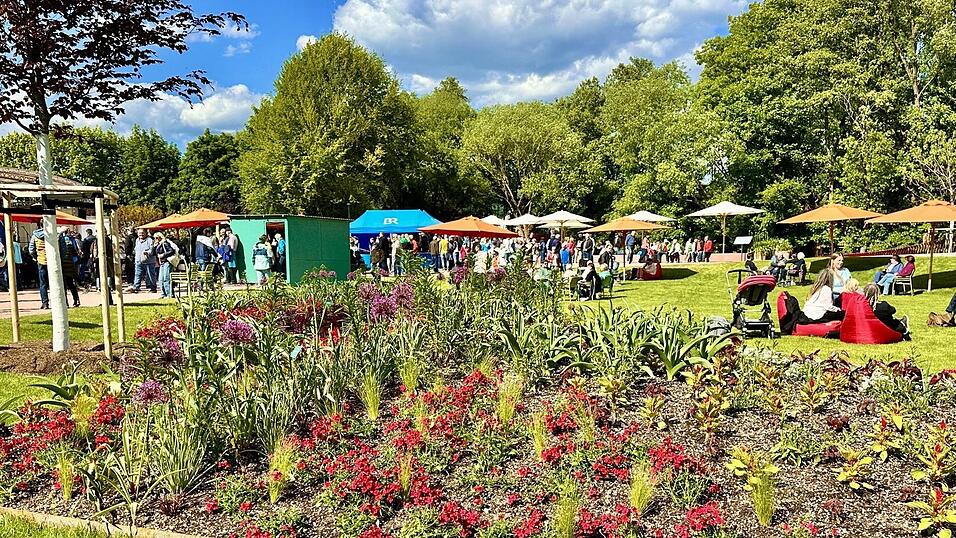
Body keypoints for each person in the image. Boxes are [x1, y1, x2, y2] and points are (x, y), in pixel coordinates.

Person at [29, 227, 51, 308]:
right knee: (56, 282)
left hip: (41, 260)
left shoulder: (35, 235)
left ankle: (45, 303)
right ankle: (62, 302)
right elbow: (63, 249)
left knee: (43, 284)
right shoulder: (55, 233)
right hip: (53, 261)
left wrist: (36, 257)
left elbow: (31, 249)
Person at [59, 228, 81, 307]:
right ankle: (76, 300)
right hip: (70, 265)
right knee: (71, 284)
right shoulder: (70, 241)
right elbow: (75, 253)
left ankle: (65, 302)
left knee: (63, 285)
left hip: (62, 265)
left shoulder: (57, 241)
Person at [154, 232, 179, 298]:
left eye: (157, 238)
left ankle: (169, 294)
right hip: (162, 263)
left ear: (160, 237)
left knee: (166, 278)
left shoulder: (165, 243)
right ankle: (163, 294)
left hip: (167, 262)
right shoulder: (158, 245)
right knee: (160, 279)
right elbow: (154, 253)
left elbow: (171, 251)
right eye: (155, 238)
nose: (155, 239)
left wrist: (163, 255)